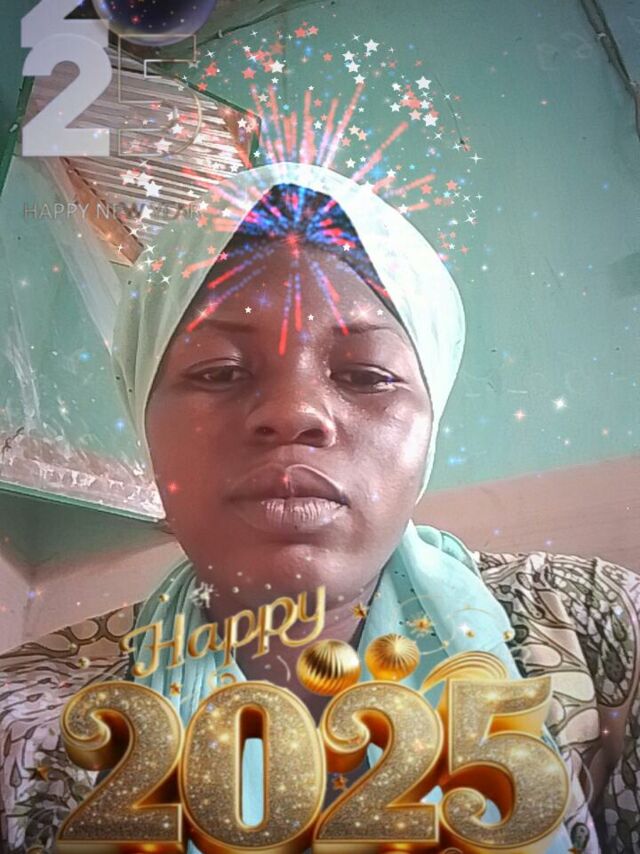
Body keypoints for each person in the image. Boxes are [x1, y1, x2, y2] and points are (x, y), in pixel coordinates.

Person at [111, 162, 640, 854]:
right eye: (219, 371)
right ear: (144, 418)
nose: (293, 413)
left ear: (430, 425)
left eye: (366, 375)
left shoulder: (598, 624)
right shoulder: (29, 721)